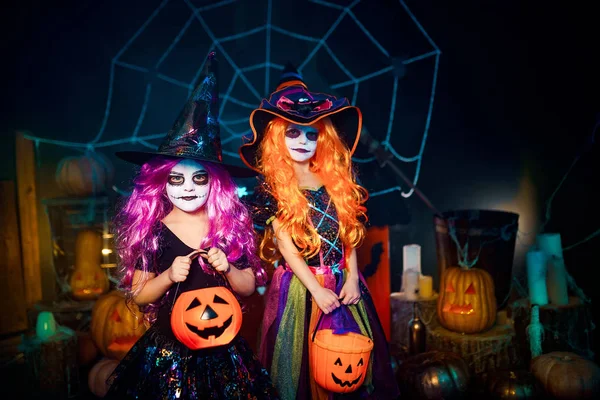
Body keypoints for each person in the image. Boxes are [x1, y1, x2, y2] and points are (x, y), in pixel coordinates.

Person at [104, 52, 279, 399]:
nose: (187, 187)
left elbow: (246, 288)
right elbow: (138, 295)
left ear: (214, 183)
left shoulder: (225, 227)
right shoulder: (153, 231)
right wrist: (168, 276)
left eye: (199, 178)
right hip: (170, 351)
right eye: (176, 179)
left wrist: (227, 266)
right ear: (160, 183)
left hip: (222, 347)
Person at [239, 65, 400, 399]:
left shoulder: (332, 181)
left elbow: (348, 234)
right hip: (301, 287)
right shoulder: (275, 188)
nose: (303, 141)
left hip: (343, 282)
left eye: (311, 134)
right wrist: (315, 289)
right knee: (300, 364)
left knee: (347, 356)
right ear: (276, 138)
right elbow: (286, 246)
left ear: (322, 138)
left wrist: (353, 277)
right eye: (293, 133)